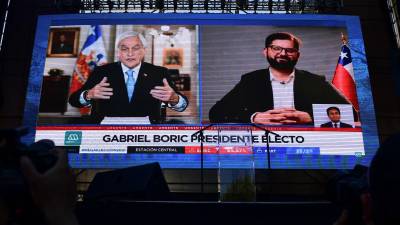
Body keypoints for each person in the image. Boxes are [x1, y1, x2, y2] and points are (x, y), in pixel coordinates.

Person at [209, 32, 350, 125]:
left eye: (290, 50)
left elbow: (350, 113)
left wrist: (311, 117)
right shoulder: (251, 80)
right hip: (264, 145)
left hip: (307, 145)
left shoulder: (315, 81)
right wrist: (255, 117)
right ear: (266, 52)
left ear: (297, 55)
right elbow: (216, 112)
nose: (282, 53)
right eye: (276, 48)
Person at [69, 31, 188, 123]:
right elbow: (74, 100)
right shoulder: (101, 71)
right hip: (107, 134)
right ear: (118, 53)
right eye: (124, 49)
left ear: (143, 51)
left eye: (136, 48)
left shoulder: (159, 73)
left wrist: (174, 98)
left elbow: (183, 106)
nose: (130, 53)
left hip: (147, 134)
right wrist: (89, 94)